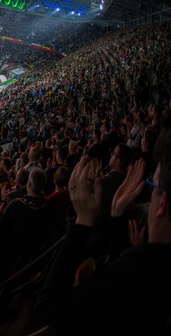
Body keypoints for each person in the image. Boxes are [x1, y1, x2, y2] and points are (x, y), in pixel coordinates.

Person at [34, 127, 171, 335]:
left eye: (154, 185)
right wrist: (116, 214)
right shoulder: (149, 263)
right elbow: (113, 282)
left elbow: (48, 306)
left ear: (163, 204)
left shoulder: (146, 267)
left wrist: (82, 221)